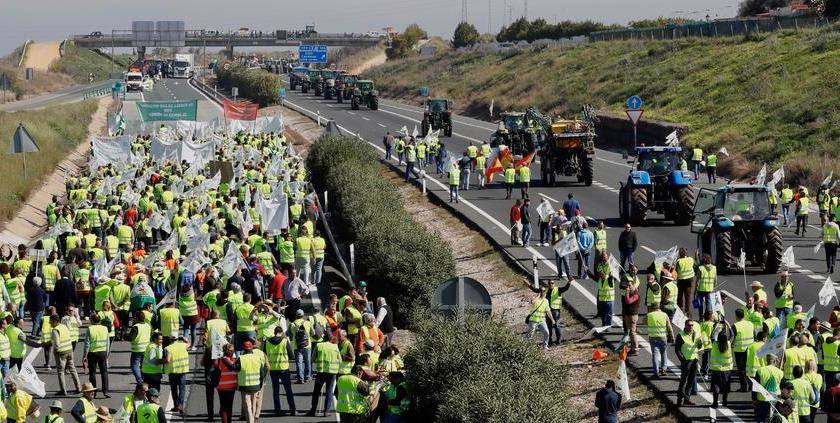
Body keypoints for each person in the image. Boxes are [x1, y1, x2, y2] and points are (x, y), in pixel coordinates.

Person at [232, 340, 268, 423]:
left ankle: (250, 421)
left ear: (244, 349)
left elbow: (235, 369)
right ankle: (253, 419)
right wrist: (260, 384)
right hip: (256, 385)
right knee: (253, 403)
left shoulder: (241, 358)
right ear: (251, 348)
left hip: (244, 385)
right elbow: (262, 372)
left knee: (247, 404)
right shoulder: (258, 358)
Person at [265, 327, 295, 416]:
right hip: (283, 368)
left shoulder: (267, 342)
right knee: (288, 390)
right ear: (281, 332)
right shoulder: (285, 341)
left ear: (274, 332)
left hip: (273, 369)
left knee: (275, 391)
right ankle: (292, 409)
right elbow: (291, 355)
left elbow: (264, 354)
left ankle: (277, 410)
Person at [308, 337, 341, 417]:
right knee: (329, 392)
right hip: (332, 372)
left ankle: (313, 410)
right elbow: (340, 360)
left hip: (321, 371)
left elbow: (312, 359)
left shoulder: (319, 345)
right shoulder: (335, 347)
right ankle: (326, 411)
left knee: (316, 391)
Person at [52, 314, 81, 395]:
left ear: (54, 321)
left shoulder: (55, 330)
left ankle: (63, 390)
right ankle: (78, 387)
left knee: (60, 372)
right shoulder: (64, 326)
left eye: (51, 321)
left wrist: (55, 351)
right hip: (69, 350)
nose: (50, 323)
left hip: (61, 353)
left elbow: (57, 344)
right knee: (72, 369)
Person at [83, 313, 111, 398]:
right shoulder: (105, 328)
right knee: (104, 372)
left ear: (92, 320)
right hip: (102, 352)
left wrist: (85, 355)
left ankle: (93, 392)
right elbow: (107, 342)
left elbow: (87, 343)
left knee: (92, 373)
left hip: (92, 353)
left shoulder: (90, 329)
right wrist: (107, 354)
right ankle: (105, 390)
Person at [676, 320, 701, 405]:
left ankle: (687, 398)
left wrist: (700, 342)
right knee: (683, 380)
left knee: (691, 381)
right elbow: (677, 349)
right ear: (685, 325)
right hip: (686, 361)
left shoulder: (696, 334)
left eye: (692, 325)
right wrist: (682, 359)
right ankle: (679, 400)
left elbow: (699, 346)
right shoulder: (680, 335)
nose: (691, 327)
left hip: (694, 360)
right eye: (689, 325)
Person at [163, 336, 190, 414]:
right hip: (182, 370)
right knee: (182, 389)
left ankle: (176, 405)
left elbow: (167, 360)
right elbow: (188, 343)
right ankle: (181, 405)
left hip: (173, 371)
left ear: (170, 340)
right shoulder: (183, 345)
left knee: (174, 389)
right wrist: (184, 339)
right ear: (177, 340)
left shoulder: (168, 348)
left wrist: (160, 361)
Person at [755, 354, 784, 422]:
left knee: (761, 418)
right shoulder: (780, 372)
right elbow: (782, 387)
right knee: (774, 419)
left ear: (766, 361)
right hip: (775, 399)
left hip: (762, 398)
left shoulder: (760, 370)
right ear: (775, 361)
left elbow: (756, 386)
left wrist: (754, 398)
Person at [647, 303, 673, 377]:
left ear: (652, 308)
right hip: (663, 337)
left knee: (655, 354)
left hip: (653, 337)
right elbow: (669, 326)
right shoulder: (664, 315)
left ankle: (656, 371)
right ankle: (664, 369)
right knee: (663, 353)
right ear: (659, 307)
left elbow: (644, 322)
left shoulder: (649, 315)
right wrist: (672, 336)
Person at [215, 344, 239, 423]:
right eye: (232, 351)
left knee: (224, 406)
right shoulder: (230, 360)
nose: (232, 352)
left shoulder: (222, 359)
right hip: (231, 386)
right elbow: (233, 368)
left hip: (222, 386)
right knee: (228, 407)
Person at [620, 265, 640, 355]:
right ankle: (630, 346)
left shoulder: (635, 294)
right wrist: (627, 291)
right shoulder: (625, 277)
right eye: (632, 270)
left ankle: (635, 348)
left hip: (632, 313)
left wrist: (628, 292)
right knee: (629, 330)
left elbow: (628, 301)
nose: (633, 271)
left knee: (632, 332)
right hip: (627, 311)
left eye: (635, 270)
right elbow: (621, 288)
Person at [710, 329, 733, 407]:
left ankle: (715, 403)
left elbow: (711, 336)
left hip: (716, 369)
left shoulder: (714, 344)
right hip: (727, 370)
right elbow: (732, 335)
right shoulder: (729, 344)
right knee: (725, 386)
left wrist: (716, 327)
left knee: (716, 386)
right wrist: (728, 326)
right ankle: (725, 402)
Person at [290, 309, 313, 383]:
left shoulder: (292, 324)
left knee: (299, 362)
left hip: (297, 346)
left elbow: (288, 333)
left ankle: (300, 378)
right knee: (307, 361)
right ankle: (307, 377)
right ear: (303, 315)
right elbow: (313, 333)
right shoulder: (308, 323)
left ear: (296, 316)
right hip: (307, 345)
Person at [546, 279, 571, 346]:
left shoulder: (558, 290)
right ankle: (549, 341)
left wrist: (569, 282)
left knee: (557, 325)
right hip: (548, 311)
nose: (551, 284)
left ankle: (558, 340)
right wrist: (529, 285)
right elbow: (537, 290)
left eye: (552, 283)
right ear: (548, 284)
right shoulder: (546, 291)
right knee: (549, 326)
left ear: (554, 284)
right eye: (550, 283)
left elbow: (565, 288)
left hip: (556, 311)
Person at [594, 251, 614, 327]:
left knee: (609, 313)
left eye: (605, 257)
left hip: (609, 296)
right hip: (602, 296)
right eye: (602, 257)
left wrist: (610, 275)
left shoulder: (611, 265)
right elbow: (599, 272)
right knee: (602, 313)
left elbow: (612, 275)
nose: (604, 258)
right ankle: (603, 324)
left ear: (608, 257)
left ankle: (608, 326)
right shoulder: (600, 265)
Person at [695, 254, 716, 319]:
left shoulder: (701, 268)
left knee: (700, 303)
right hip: (709, 289)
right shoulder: (714, 268)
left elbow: (698, 280)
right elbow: (715, 279)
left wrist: (695, 289)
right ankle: (708, 316)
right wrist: (713, 286)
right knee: (708, 302)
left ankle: (701, 316)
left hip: (701, 289)